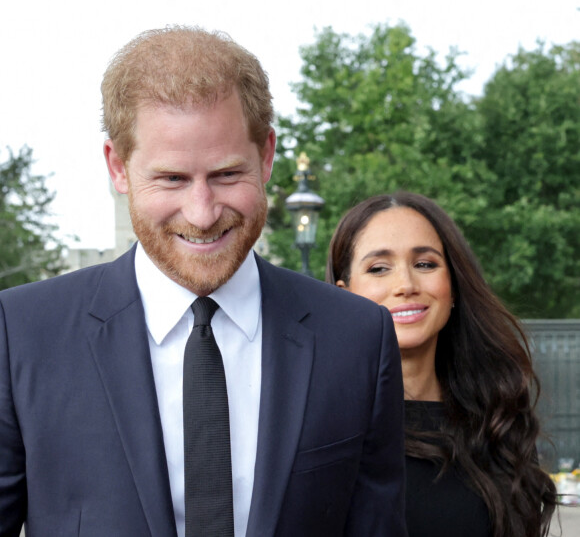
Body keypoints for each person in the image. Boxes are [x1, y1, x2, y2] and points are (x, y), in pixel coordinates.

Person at [0, 27, 406, 537]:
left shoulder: (358, 338)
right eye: (172, 178)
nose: (202, 212)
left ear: (266, 157)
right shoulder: (22, 334)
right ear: (118, 167)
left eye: (226, 174)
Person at [326, 192, 557, 537]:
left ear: (453, 288)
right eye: (379, 268)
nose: (406, 285)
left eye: (425, 264)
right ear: (345, 294)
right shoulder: (324, 428)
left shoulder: (498, 420)